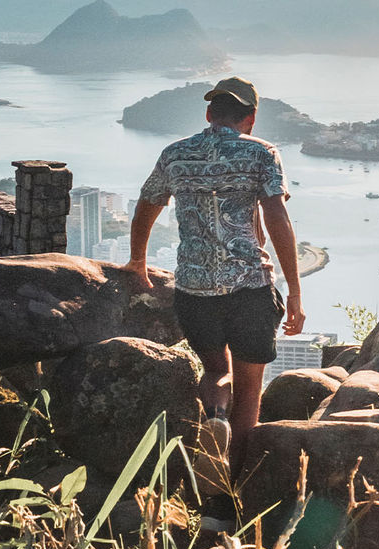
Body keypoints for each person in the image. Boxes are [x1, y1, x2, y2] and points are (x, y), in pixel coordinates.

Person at [123, 76, 305, 487]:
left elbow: (147, 205)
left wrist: (138, 261)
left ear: (209, 114)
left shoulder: (175, 154)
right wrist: (294, 291)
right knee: (250, 389)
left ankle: (214, 415)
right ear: (251, 118)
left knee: (214, 370)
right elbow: (277, 218)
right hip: (250, 289)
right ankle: (230, 488)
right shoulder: (262, 154)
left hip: (194, 291)